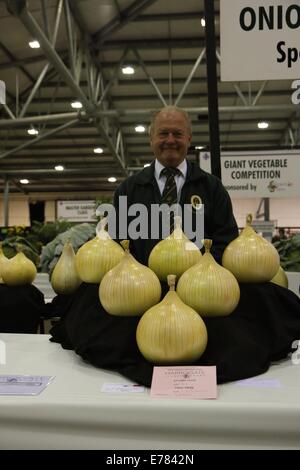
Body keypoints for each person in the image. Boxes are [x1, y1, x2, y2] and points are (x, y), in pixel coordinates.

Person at [114, 105, 238, 265]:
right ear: (151, 139)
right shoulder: (128, 190)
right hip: (143, 287)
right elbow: (117, 242)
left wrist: (199, 272)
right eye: (163, 133)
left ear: (189, 139)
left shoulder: (212, 187)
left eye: (178, 134)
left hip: (199, 286)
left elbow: (226, 240)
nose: (170, 140)